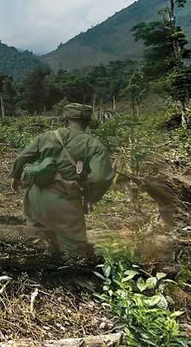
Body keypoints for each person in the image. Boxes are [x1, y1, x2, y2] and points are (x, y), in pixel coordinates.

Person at [10, 103, 115, 257]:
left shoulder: (46, 136)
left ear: (65, 119)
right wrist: (90, 197)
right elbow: (101, 178)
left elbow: (22, 158)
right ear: (88, 122)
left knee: (35, 241)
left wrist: (15, 177)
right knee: (75, 253)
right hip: (65, 204)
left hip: (35, 200)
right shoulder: (93, 145)